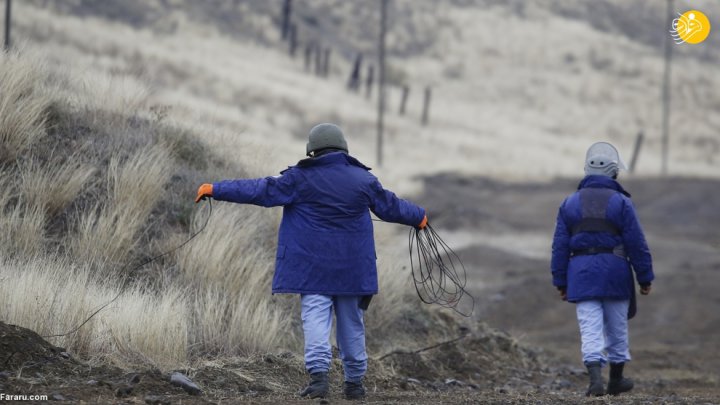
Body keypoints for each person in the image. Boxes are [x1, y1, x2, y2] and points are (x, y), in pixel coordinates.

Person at [195, 123, 427, 400]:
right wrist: (419, 216)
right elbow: (392, 207)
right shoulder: (363, 180)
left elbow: (259, 190)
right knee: (352, 323)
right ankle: (354, 384)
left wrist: (216, 188)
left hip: (311, 268)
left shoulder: (299, 178)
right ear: (343, 148)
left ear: (312, 150)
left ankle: (319, 380)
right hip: (352, 270)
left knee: (315, 319)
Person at [550, 142, 654, 396]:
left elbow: (559, 247)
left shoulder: (569, 203)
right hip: (615, 273)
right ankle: (616, 380)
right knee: (617, 327)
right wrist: (645, 277)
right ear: (613, 172)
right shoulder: (622, 202)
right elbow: (636, 243)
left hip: (581, 275)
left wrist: (561, 282)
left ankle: (595, 380)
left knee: (590, 327)